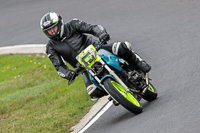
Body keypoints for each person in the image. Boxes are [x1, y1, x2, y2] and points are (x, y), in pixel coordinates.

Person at [40, 12, 151, 101]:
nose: (52, 31)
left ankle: (138, 63)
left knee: (121, 47)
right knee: (93, 93)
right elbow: (59, 66)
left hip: (96, 49)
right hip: (83, 67)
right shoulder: (50, 47)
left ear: (59, 24)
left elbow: (93, 28)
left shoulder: (73, 25)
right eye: (48, 30)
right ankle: (114, 92)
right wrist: (68, 74)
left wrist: (101, 34)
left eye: (53, 27)